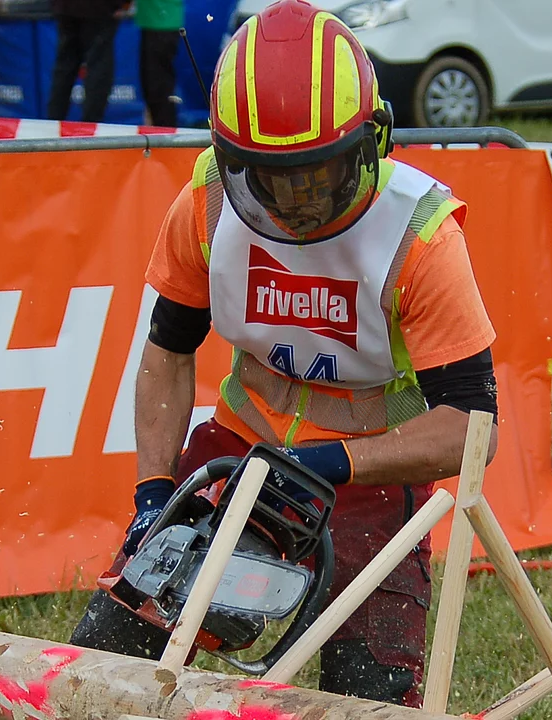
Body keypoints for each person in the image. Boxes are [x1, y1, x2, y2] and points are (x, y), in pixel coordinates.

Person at [70, 0, 499, 707]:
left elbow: (471, 426)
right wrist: (152, 494)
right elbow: (168, 352)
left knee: (370, 693)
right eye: (268, 177)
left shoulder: (422, 236)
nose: (297, 199)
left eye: (318, 173)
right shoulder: (208, 202)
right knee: (104, 660)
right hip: (237, 449)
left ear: (371, 142)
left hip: (366, 476)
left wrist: (330, 463)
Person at [47, 0, 125, 123]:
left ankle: (53, 122)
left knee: (64, 66)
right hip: (100, 8)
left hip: (65, 7)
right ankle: (91, 124)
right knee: (98, 66)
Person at [134, 0, 184, 127]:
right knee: (152, 85)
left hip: (162, 23)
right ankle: (161, 128)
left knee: (158, 87)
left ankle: (166, 130)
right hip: (157, 21)